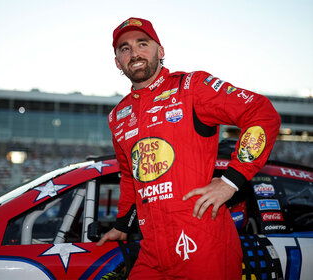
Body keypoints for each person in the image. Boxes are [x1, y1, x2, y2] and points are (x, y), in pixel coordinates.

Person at [96, 17, 281, 279]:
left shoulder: (192, 87)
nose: (134, 53)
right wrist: (123, 223)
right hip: (152, 248)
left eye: (142, 43)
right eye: (124, 48)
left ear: (160, 51)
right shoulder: (118, 115)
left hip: (204, 242)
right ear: (118, 62)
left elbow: (261, 113)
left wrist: (231, 181)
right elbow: (130, 175)